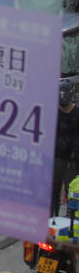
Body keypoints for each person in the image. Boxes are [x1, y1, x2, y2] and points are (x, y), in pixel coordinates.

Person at [53, 81, 79, 216]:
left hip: (72, 159)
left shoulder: (76, 113)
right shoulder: (54, 113)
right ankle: (53, 214)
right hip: (57, 156)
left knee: (72, 189)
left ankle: (71, 215)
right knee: (54, 187)